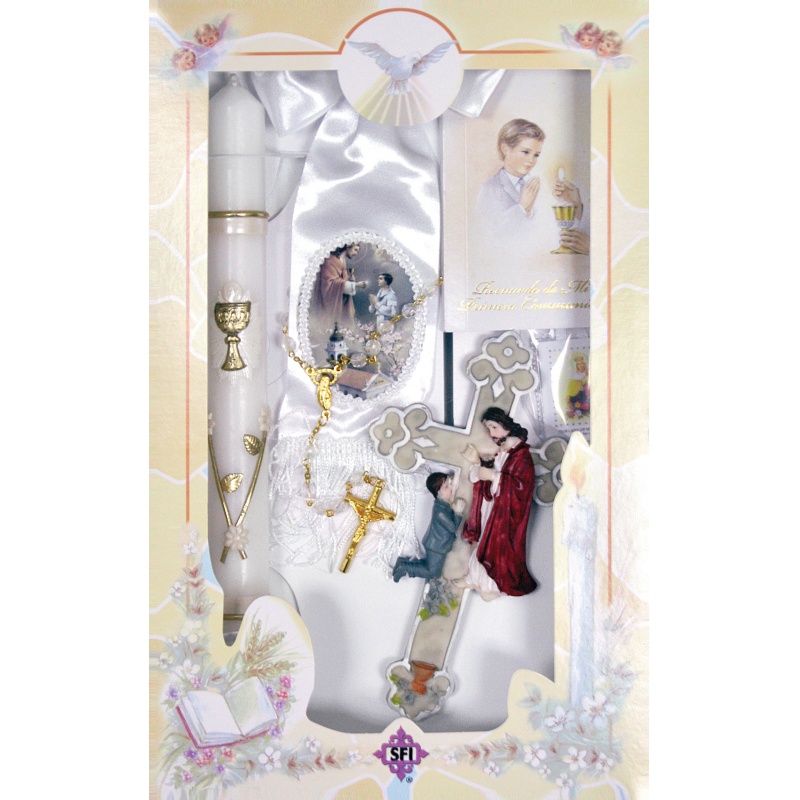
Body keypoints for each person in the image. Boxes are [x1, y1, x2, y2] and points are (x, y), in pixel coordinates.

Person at [459, 407, 537, 598]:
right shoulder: (504, 452)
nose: (491, 433)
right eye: (488, 429)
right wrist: (479, 464)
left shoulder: (522, 456)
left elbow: (520, 488)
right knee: (483, 542)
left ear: (506, 425)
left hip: (506, 516)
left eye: (494, 427)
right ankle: (474, 578)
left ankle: (490, 586)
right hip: (494, 509)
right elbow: (490, 481)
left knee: (495, 550)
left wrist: (494, 476)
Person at [392, 473, 466, 582]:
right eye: (446, 486)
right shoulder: (440, 511)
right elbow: (453, 527)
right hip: (436, 546)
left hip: (437, 545)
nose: (451, 487)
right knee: (433, 573)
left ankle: (404, 563)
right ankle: (404, 566)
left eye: (449, 484)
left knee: (430, 567)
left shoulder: (443, 505)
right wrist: (458, 513)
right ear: (438, 492)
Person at [312, 243, 368, 332]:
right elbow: (329, 284)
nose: (356, 253)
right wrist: (356, 285)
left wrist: (350, 280)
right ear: (347, 247)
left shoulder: (342, 260)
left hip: (341, 303)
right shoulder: (330, 260)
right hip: (330, 305)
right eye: (355, 250)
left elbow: (340, 280)